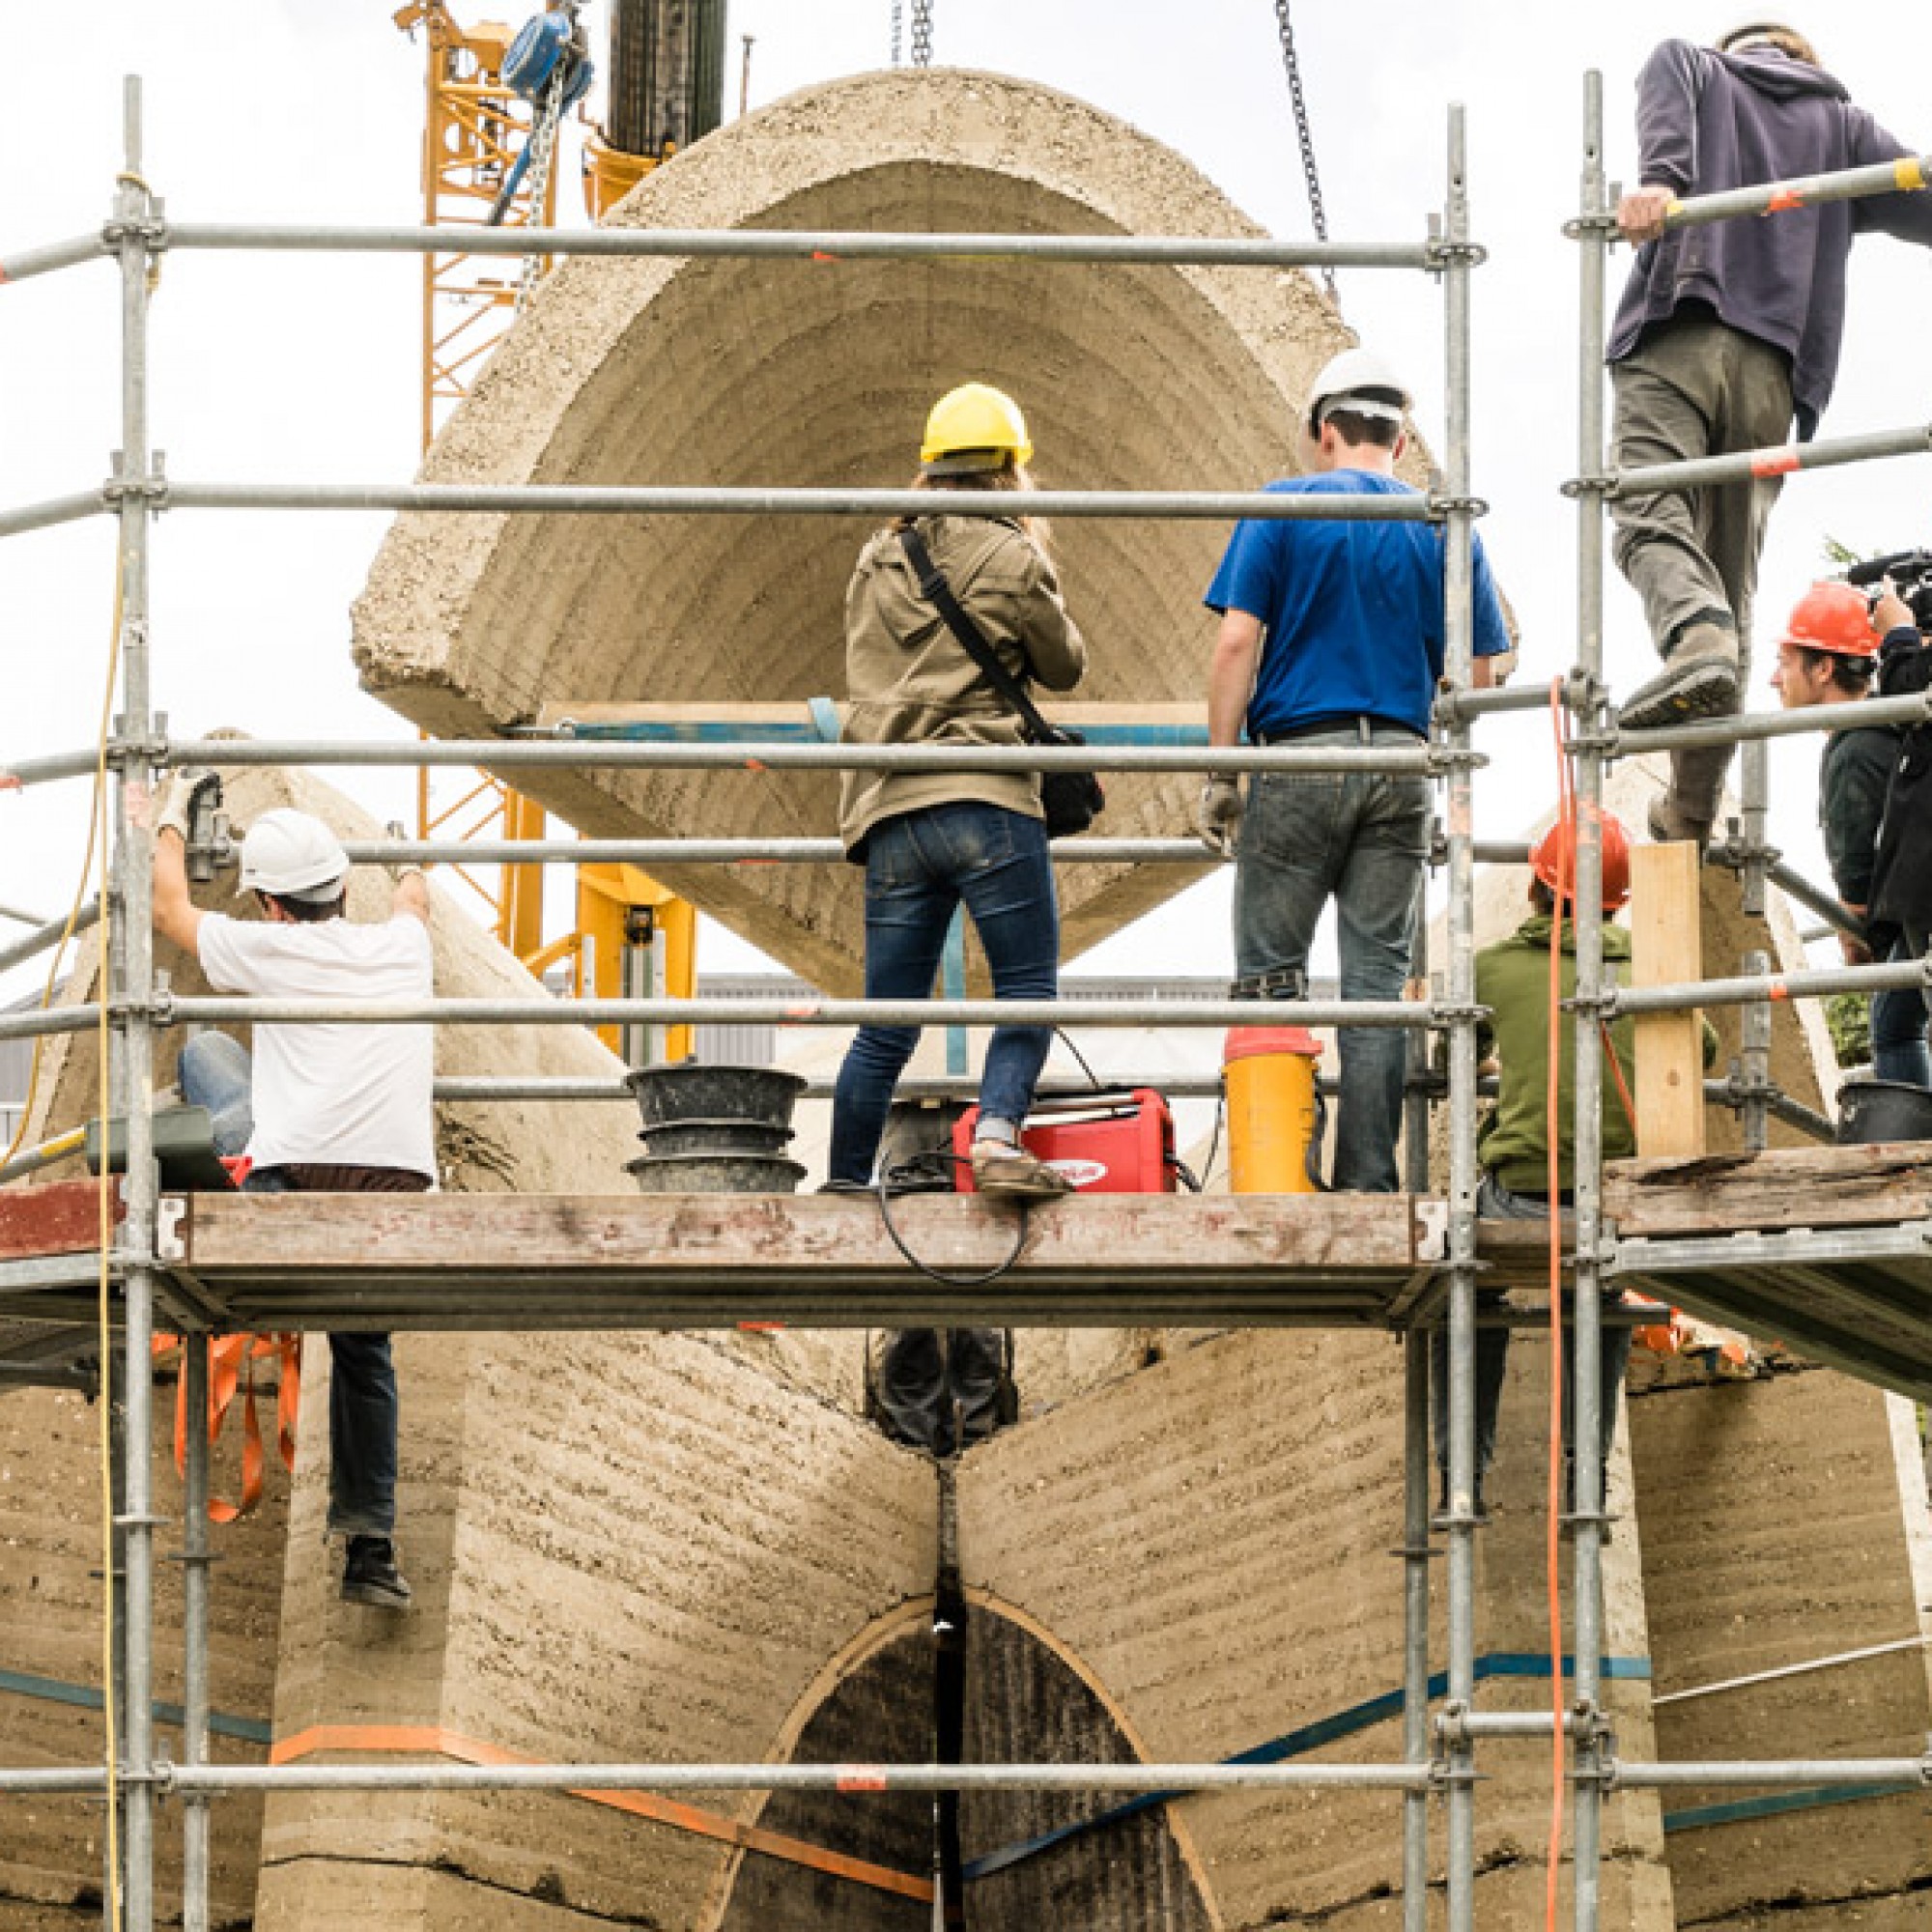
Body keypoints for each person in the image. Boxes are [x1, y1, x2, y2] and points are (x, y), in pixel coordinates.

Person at [826, 384, 1086, 1452]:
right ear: (1011, 467)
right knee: (1024, 989)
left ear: (928, 466)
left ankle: (843, 1184)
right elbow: (1063, 664)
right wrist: (1040, 563)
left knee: (885, 1018)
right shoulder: (1014, 555)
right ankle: (996, 1134)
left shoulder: (876, 556)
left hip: (891, 808)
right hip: (986, 800)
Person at [1607, 21, 1932, 844]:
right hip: (1773, 374)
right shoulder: (1842, 127)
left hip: (1680, 325)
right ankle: (1689, 810)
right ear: (1803, 62)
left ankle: (1693, 635)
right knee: (1728, 576)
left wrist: (1662, 179)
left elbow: (1664, 64)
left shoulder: (1698, 66)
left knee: (1649, 516)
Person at [1198, 348, 1510, 1193]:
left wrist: (1222, 773)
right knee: (1377, 987)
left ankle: (1279, 1175)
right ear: (1401, 443)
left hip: (1301, 757)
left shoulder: (1282, 506)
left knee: (1270, 975)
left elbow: (1236, 642)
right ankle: (1370, 1181)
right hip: (1405, 765)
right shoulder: (1443, 524)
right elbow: (1481, 671)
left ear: (1324, 430)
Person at [141, 785, 436, 1609]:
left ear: (271, 904)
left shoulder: (269, 950)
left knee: (204, 1052)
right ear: (344, 888)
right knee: (363, 1348)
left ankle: (191, 1152)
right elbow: (415, 898)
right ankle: (370, 1547)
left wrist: (166, 812)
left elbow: (170, 907)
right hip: (395, 1200)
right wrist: (411, 863)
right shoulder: (404, 947)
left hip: (294, 1186)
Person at [1432, 813, 1715, 1522]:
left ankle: (1460, 1481)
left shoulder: (1492, 967)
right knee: (1601, 1302)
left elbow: (1448, 1056)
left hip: (1523, 1195)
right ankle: (1585, 1482)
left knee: (1470, 1295)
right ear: (1618, 901)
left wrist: (1506, 1055)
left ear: (1535, 885)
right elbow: (1699, 1052)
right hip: (1621, 1205)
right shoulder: (1650, 964)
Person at [1769, 580, 1928, 1085]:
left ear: (1823, 668)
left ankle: (1918, 1144)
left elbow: (1858, 865)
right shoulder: (1889, 730)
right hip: (1916, 905)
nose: (1775, 679)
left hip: (1918, 909)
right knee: (1897, 1016)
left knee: (1893, 1026)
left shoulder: (1854, 748)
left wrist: (1853, 924)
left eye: (1787, 662)